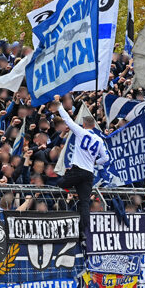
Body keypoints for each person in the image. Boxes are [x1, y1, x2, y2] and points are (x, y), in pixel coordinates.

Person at [53, 94, 110, 238]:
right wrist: (95, 162)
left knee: (59, 183)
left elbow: (67, 120)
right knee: (84, 202)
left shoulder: (81, 132)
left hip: (77, 171)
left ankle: (58, 213)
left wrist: (59, 104)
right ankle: (84, 232)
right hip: (89, 174)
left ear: (84, 124)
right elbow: (105, 158)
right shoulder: (99, 140)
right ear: (93, 126)